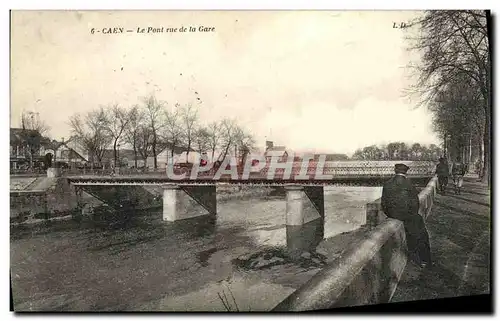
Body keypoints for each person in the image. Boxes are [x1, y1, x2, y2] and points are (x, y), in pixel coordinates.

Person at [381, 163, 432, 268]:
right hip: (408, 214)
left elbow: (384, 203)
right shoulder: (409, 183)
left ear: (395, 171)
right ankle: (425, 260)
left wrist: (391, 214)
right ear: (406, 172)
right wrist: (411, 214)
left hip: (393, 215)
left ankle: (416, 255)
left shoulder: (387, 183)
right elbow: (415, 202)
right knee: (423, 234)